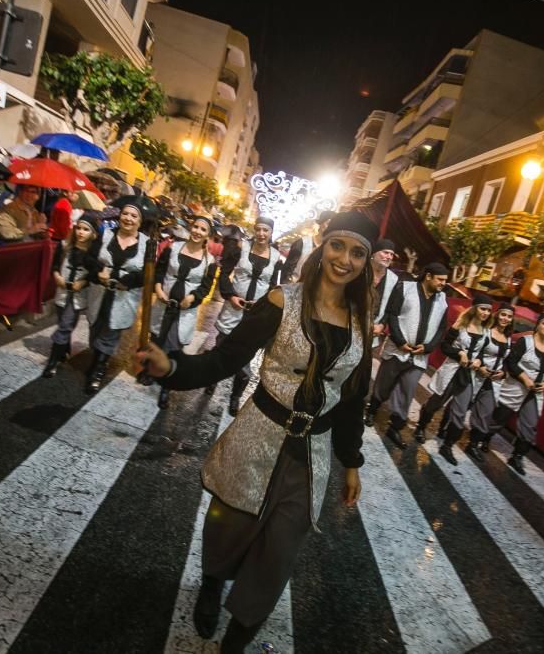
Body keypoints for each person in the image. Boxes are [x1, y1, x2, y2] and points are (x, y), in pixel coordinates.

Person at [137, 212, 376, 652]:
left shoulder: (362, 323)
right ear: (323, 247)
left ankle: (238, 638)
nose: (346, 259)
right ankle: (212, 582)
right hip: (259, 434)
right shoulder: (281, 301)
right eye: (339, 245)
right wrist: (171, 366)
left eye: (358, 252)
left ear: (367, 263)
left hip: (312, 453)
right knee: (229, 523)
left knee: (280, 550)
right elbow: (225, 359)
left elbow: (352, 401)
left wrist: (352, 463)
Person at [364, 262, 450, 449]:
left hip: (419, 356)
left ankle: (395, 426)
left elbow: (441, 327)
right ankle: (372, 410)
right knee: (383, 385)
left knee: (407, 390)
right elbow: (392, 315)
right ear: (428, 276)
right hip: (397, 350)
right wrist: (400, 340)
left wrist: (428, 347)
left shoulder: (442, 299)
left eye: (445, 280)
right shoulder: (405, 288)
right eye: (440, 279)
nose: (443, 283)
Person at [213, 216, 283, 415]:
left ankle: (235, 397)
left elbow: (274, 286)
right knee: (221, 347)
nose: (261, 234)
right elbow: (224, 272)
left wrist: (266, 306)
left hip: (256, 314)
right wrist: (230, 295)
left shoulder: (276, 257)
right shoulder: (240, 247)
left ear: (271, 233)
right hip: (234, 307)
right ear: (254, 230)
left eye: (266, 230)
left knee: (246, 357)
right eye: (258, 229)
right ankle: (211, 379)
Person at [150, 212, 218, 409]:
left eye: (203, 229)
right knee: (155, 339)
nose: (197, 231)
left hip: (185, 311)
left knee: (173, 346)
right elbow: (160, 270)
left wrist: (193, 297)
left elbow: (205, 288)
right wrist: (157, 287)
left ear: (208, 235)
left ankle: (166, 386)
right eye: (195, 227)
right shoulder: (173, 248)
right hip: (163, 304)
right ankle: (150, 370)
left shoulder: (210, 262)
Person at [84, 201, 151, 394]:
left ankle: (98, 369)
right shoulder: (105, 235)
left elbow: (150, 274)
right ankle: (97, 357)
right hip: (100, 293)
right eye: (125, 214)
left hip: (124, 297)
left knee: (110, 335)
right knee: (95, 329)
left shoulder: (147, 244)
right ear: (119, 216)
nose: (128, 218)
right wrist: (98, 271)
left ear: (140, 221)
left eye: (133, 216)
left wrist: (128, 281)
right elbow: (88, 258)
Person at [415, 293, 493, 443]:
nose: (485, 313)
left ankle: (448, 445)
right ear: (475, 308)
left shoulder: (486, 331)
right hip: (452, 371)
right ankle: (420, 426)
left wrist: (479, 361)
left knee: (460, 411)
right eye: (483, 309)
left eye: (488, 311)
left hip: (468, 375)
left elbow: (483, 352)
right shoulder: (460, 325)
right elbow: (444, 346)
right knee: (435, 404)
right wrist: (459, 353)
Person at [496, 314, 544, 475]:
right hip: (516, 387)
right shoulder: (526, 341)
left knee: (529, 426)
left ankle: (517, 457)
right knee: (500, 418)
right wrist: (525, 379)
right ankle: (480, 439)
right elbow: (511, 362)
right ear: (537, 325)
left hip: (535, 393)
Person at [41, 215, 101, 378]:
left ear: (93, 233)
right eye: (79, 228)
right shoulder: (64, 245)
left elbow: (95, 274)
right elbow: (55, 265)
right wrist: (56, 276)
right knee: (62, 322)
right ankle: (64, 349)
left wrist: (83, 283)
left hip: (78, 295)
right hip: (61, 291)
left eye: (86, 229)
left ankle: (52, 362)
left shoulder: (93, 253)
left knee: (65, 326)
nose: (81, 232)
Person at [457, 303, 515, 463]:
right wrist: (481, 366)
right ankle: (446, 430)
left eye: (509, 316)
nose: (506, 318)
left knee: (485, 413)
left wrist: (503, 372)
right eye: (503, 314)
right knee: (461, 405)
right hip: (476, 374)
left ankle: (473, 444)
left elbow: (507, 361)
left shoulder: (509, 339)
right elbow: (478, 350)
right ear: (497, 315)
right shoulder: (486, 332)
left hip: (493, 381)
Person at [280, 209, 335, 283]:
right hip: (294, 287)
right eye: (328, 223)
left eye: (333, 225)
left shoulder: (329, 249)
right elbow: (287, 271)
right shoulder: (303, 243)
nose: (330, 228)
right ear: (321, 223)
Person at [370, 238, 398, 348]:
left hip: (372, 331)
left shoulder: (393, 279)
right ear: (374, 253)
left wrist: (382, 325)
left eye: (392, 254)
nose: (389, 257)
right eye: (385, 252)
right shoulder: (360, 269)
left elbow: (391, 307)